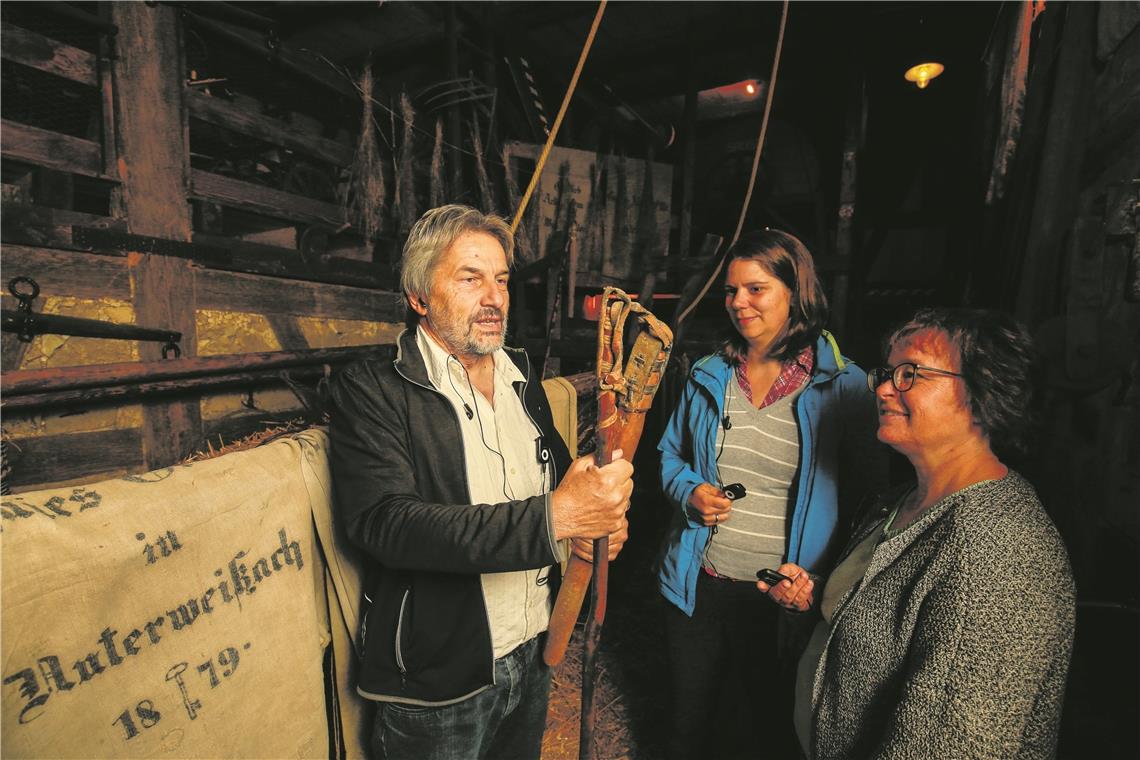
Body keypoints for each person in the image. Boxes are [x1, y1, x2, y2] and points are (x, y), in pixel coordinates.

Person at [328, 204, 634, 760]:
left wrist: (595, 521)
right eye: (470, 278)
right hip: (440, 676)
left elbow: (560, 482)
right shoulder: (374, 390)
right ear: (419, 297)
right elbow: (386, 523)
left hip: (534, 650)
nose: (494, 297)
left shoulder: (521, 377)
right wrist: (558, 517)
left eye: (501, 280)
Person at [769, 307, 1075, 759]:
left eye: (910, 373)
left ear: (982, 392)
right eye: (888, 373)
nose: (885, 388)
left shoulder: (999, 553)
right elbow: (881, 619)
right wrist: (815, 599)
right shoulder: (896, 502)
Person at [656, 229, 884, 759]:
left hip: (782, 601)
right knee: (691, 728)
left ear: (795, 290)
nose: (738, 303)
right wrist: (689, 492)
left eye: (755, 289)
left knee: (769, 732)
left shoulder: (842, 388)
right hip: (698, 584)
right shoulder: (709, 375)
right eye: (731, 291)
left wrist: (822, 581)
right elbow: (669, 456)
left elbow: (872, 505)